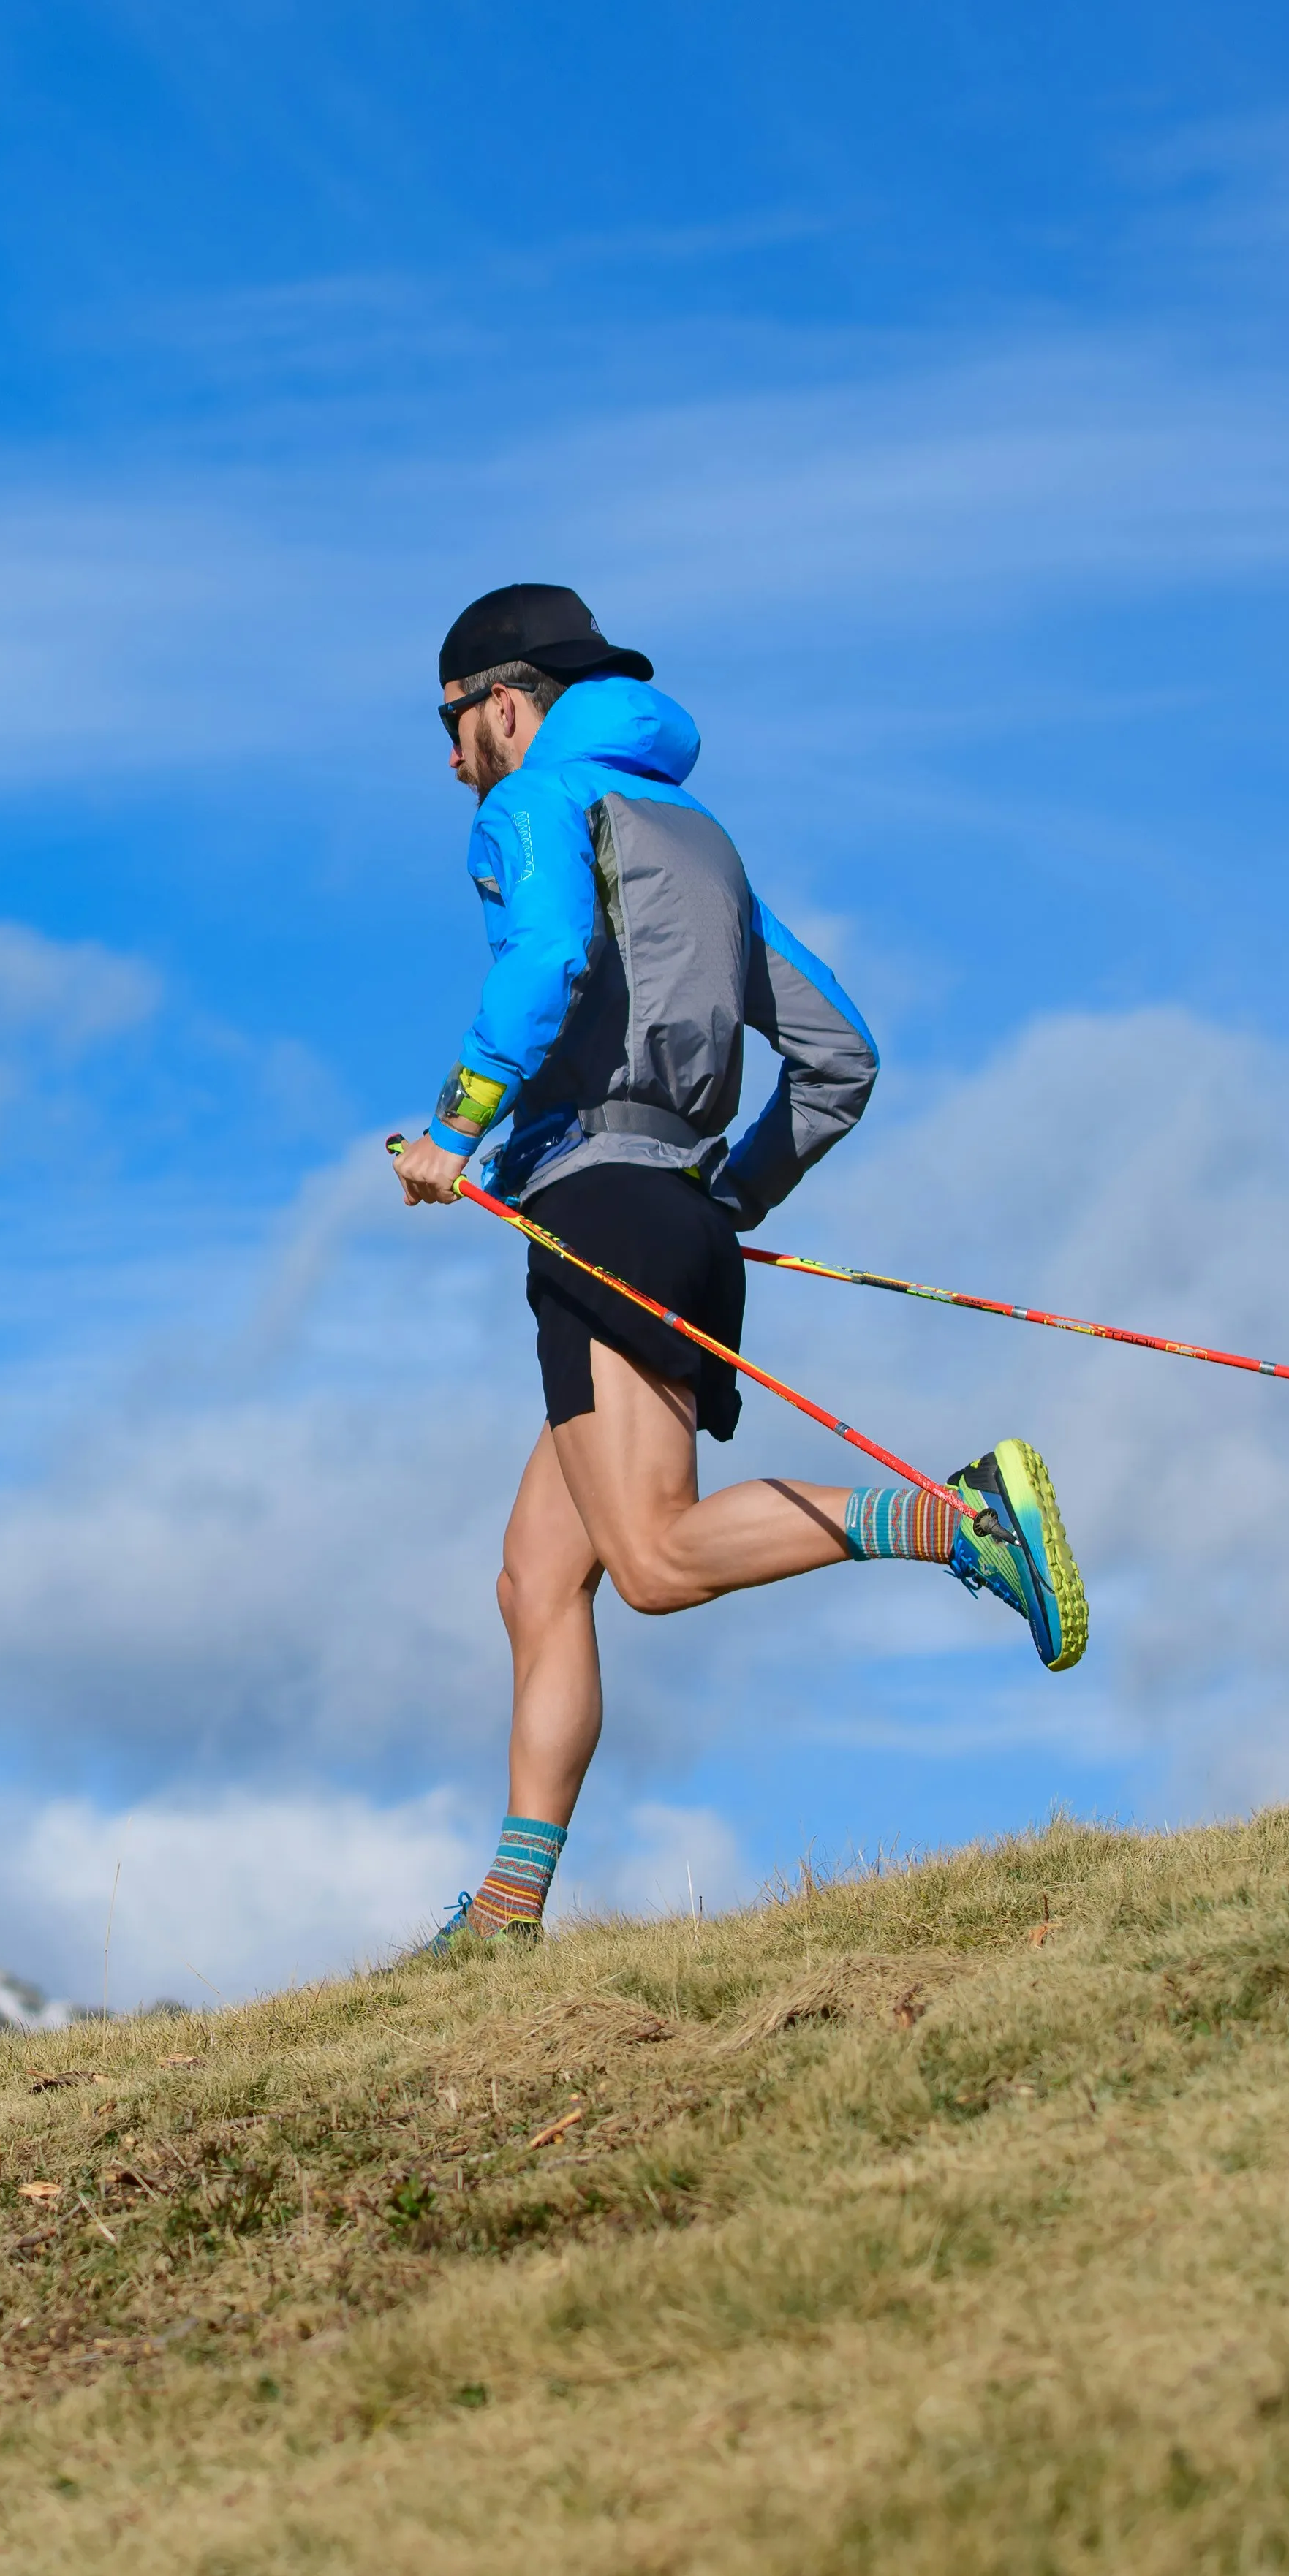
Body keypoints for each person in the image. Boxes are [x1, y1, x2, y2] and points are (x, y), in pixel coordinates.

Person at [388, 583, 1084, 1944]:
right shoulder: (698, 842)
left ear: (507, 706)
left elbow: (543, 957)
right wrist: (724, 1196)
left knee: (647, 1562)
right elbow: (839, 1060)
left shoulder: (529, 807)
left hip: (594, 1210)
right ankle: (503, 1917)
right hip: (674, 1220)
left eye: (453, 719)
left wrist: (458, 1129)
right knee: (538, 1575)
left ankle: (961, 1519)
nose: (450, 753)